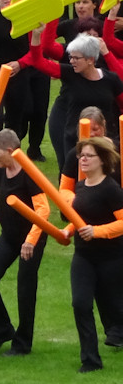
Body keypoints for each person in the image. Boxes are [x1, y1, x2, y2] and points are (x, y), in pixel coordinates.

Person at [0, 129, 47, 357]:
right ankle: (2, 331)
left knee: (25, 288)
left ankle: (23, 344)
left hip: (32, 238)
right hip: (9, 236)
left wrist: (30, 241)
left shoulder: (30, 173)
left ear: (9, 151)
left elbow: (43, 210)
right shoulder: (0, 170)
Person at [66, 136, 123, 372]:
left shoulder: (111, 189)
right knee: (80, 304)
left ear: (102, 160)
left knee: (114, 307)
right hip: (83, 257)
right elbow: (79, 220)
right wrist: (68, 230)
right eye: (81, 155)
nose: (83, 160)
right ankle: (90, 360)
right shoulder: (80, 186)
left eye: (89, 155)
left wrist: (97, 231)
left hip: (111, 257)